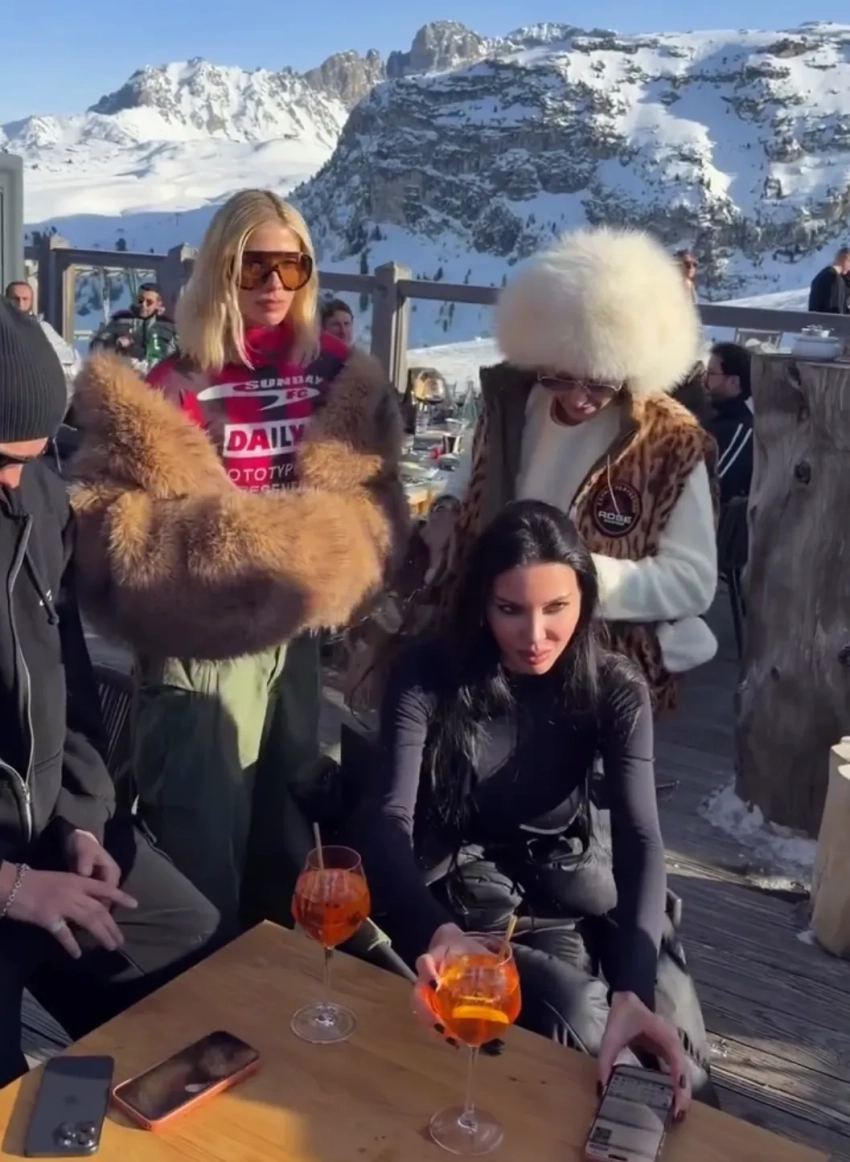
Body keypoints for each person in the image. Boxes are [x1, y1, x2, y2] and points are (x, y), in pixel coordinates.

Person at [70, 189, 408, 931]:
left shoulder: (337, 375)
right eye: (256, 265)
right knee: (200, 835)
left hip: (299, 628)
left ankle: (275, 978)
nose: (275, 284)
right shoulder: (175, 384)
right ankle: (197, 984)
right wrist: (252, 545)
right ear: (222, 268)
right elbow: (108, 523)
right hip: (204, 642)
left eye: (293, 265)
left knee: (289, 828)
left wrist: (337, 555)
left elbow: (377, 494)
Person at [349, 501, 716, 1110]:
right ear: (481, 604)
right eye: (511, 610)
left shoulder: (614, 686)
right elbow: (387, 820)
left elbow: (640, 837)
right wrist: (437, 933)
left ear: (585, 602)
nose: (536, 635)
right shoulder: (429, 672)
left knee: (678, 1059)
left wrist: (634, 989)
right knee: (583, 1018)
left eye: (556, 608)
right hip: (462, 896)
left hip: (563, 883)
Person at [0, 300, 222, 1089]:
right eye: (0, 460)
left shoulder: (39, 500)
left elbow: (65, 679)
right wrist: (13, 888)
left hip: (42, 830)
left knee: (192, 948)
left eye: (29, 459)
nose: (13, 481)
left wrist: (84, 821)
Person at [407, 227, 718, 713]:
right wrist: (446, 510)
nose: (578, 398)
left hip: (596, 676)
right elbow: (471, 473)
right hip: (489, 651)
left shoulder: (670, 442)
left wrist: (569, 582)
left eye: (600, 383)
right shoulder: (514, 405)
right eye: (561, 377)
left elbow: (692, 582)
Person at [5, 280, 82, 407]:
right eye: (16, 299)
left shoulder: (43, 329)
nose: (20, 304)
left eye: (25, 299)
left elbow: (69, 365)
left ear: (31, 301)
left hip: (37, 401)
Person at [706, 343, 753, 504]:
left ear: (733, 382)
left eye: (711, 374)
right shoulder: (717, 418)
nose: (705, 381)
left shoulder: (742, 430)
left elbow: (715, 488)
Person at [89, 283, 177, 368]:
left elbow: (176, 355)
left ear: (158, 304)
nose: (143, 305)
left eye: (149, 302)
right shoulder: (121, 321)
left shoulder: (168, 328)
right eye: (140, 300)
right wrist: (115, 343)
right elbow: (97, 345)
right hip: (123, 372)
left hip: (156, 374)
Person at [808, 248, 850, 315]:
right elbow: (834, 312)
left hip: (819, 319)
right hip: (825, 319)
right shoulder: (832, 278)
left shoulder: (826, 275)